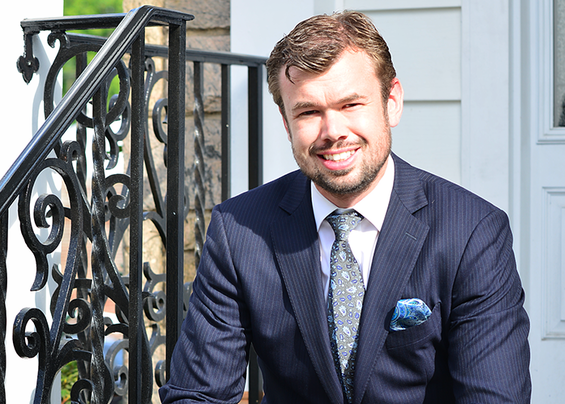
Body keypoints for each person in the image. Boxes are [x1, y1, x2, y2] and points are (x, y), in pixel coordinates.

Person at [159, 10, 531, 404]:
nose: (332, 131)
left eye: (351, 104)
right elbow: (196, 395)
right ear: (286, 124)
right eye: (308, 111)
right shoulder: (239, 231)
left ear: (391, 103)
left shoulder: (472, 232)